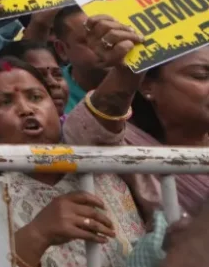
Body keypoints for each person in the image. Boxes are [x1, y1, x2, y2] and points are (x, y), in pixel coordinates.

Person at [0, 58, 145, 267]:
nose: (26, 109)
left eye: (36, 97)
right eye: (5, 102)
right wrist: (39, 233)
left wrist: (131, 57)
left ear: (56, 106)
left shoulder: (85, 143)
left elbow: (112, 100)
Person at [63, 15, 209, 220]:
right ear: (147, 86)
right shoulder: (127, 146)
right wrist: (127, 69)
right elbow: (81, 137)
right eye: (201, 75)